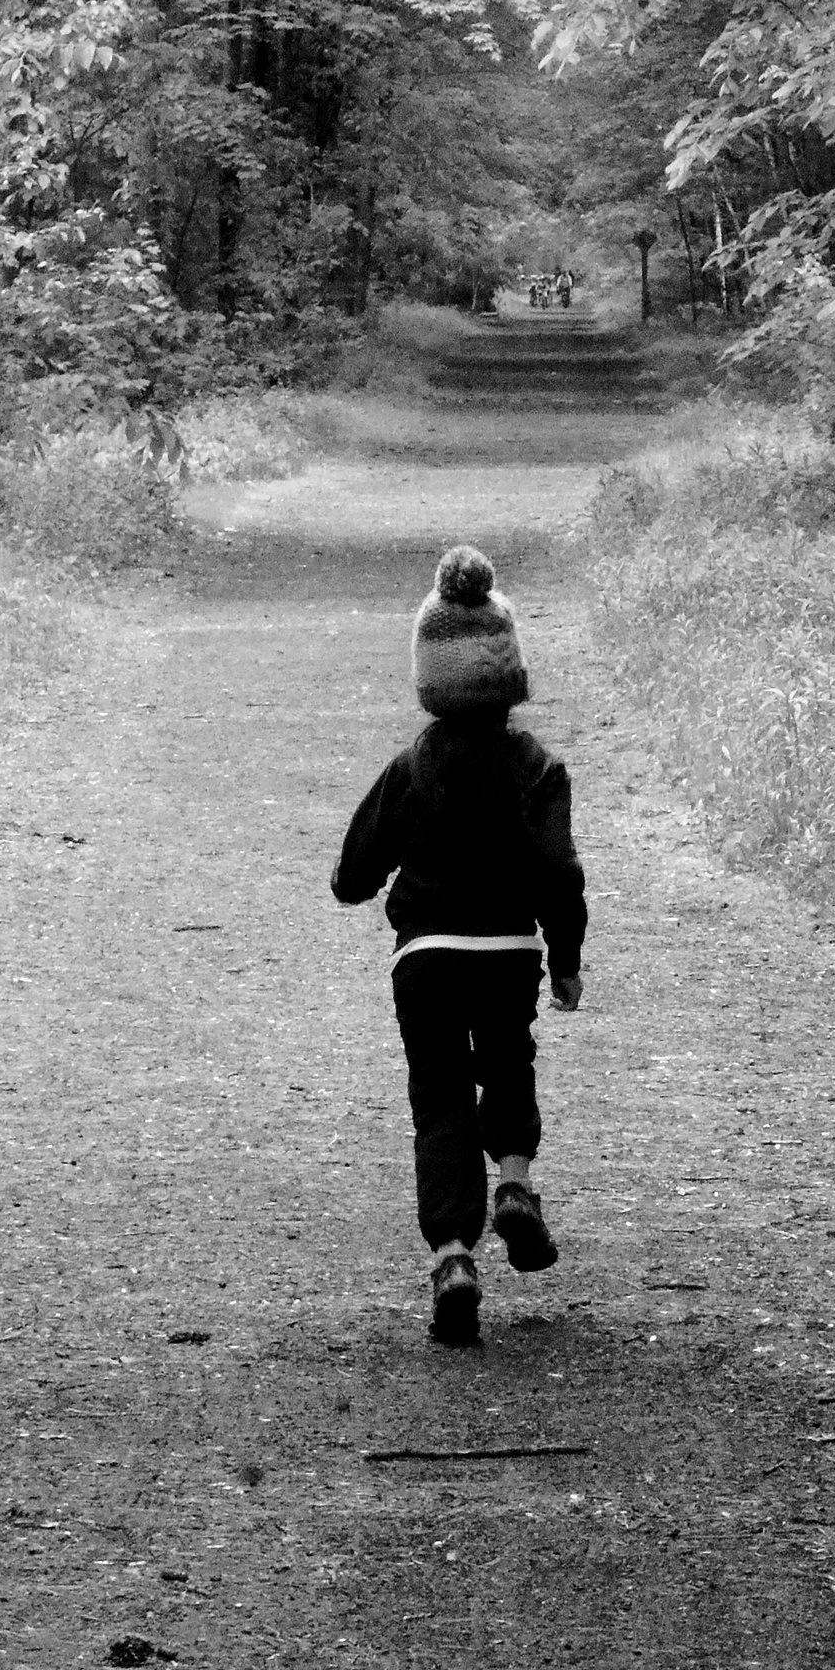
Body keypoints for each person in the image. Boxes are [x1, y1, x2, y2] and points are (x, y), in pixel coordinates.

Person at [332, 546, 589, 1346]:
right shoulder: (537, 767)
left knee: (439, 1101)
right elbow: (558, 872)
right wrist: (568, 957)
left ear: (431, 678)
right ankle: (514, 1183)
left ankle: (452, 1258)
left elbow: (353, 873)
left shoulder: (410, 769)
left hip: (427, 959)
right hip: (510, 952)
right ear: (509, 673)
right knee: (508, 1061)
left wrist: (361, 883)